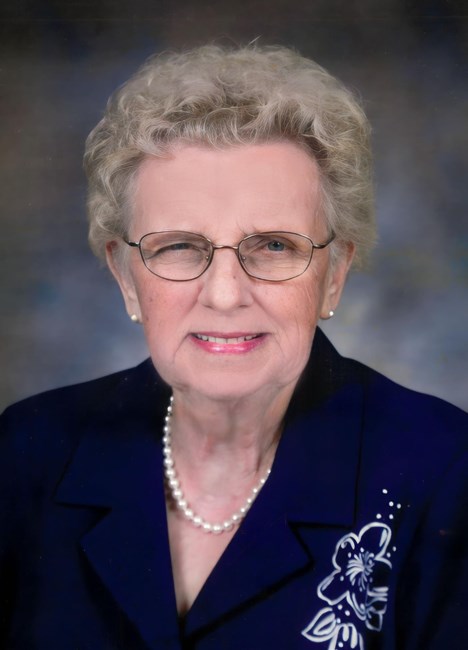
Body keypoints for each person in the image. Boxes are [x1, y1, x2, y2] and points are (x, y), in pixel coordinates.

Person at [0, 44, 467, 650]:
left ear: (334, 274)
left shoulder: (447, 473)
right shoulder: (26, 451)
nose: (224, 294)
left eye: (274, 245)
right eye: (179, 246)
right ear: (125, 277)